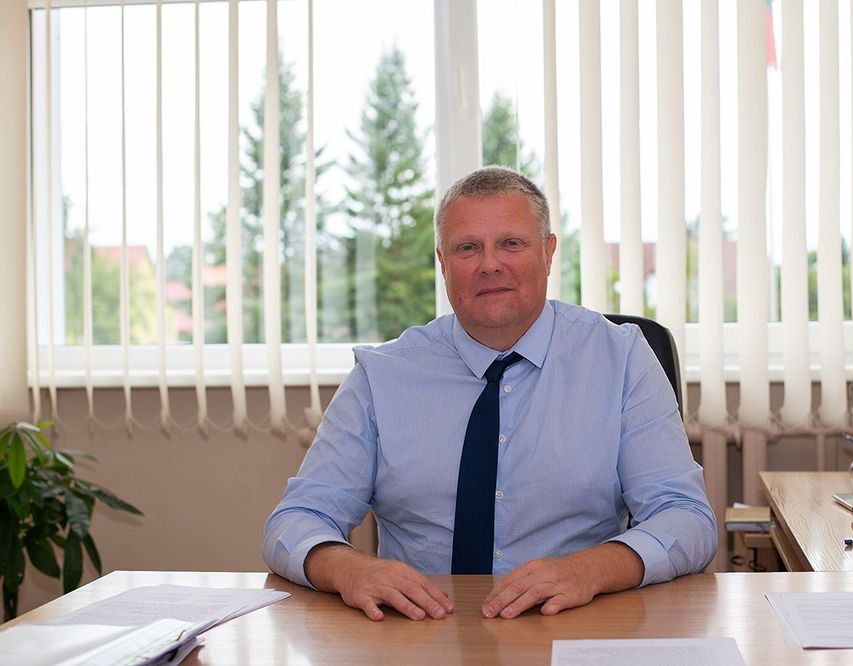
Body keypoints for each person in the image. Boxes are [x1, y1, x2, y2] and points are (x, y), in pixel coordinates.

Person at [263, 166, 716, 622]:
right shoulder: (381, 376)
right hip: (418, 629)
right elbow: (295, 520)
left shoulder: (621, 358)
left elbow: (685, 516)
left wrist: (592, 569)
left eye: (511, 243)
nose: (490, 264)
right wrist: (348, 569)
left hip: (573, 623)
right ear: (442, 262)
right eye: (468, 248)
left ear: (548, 252)